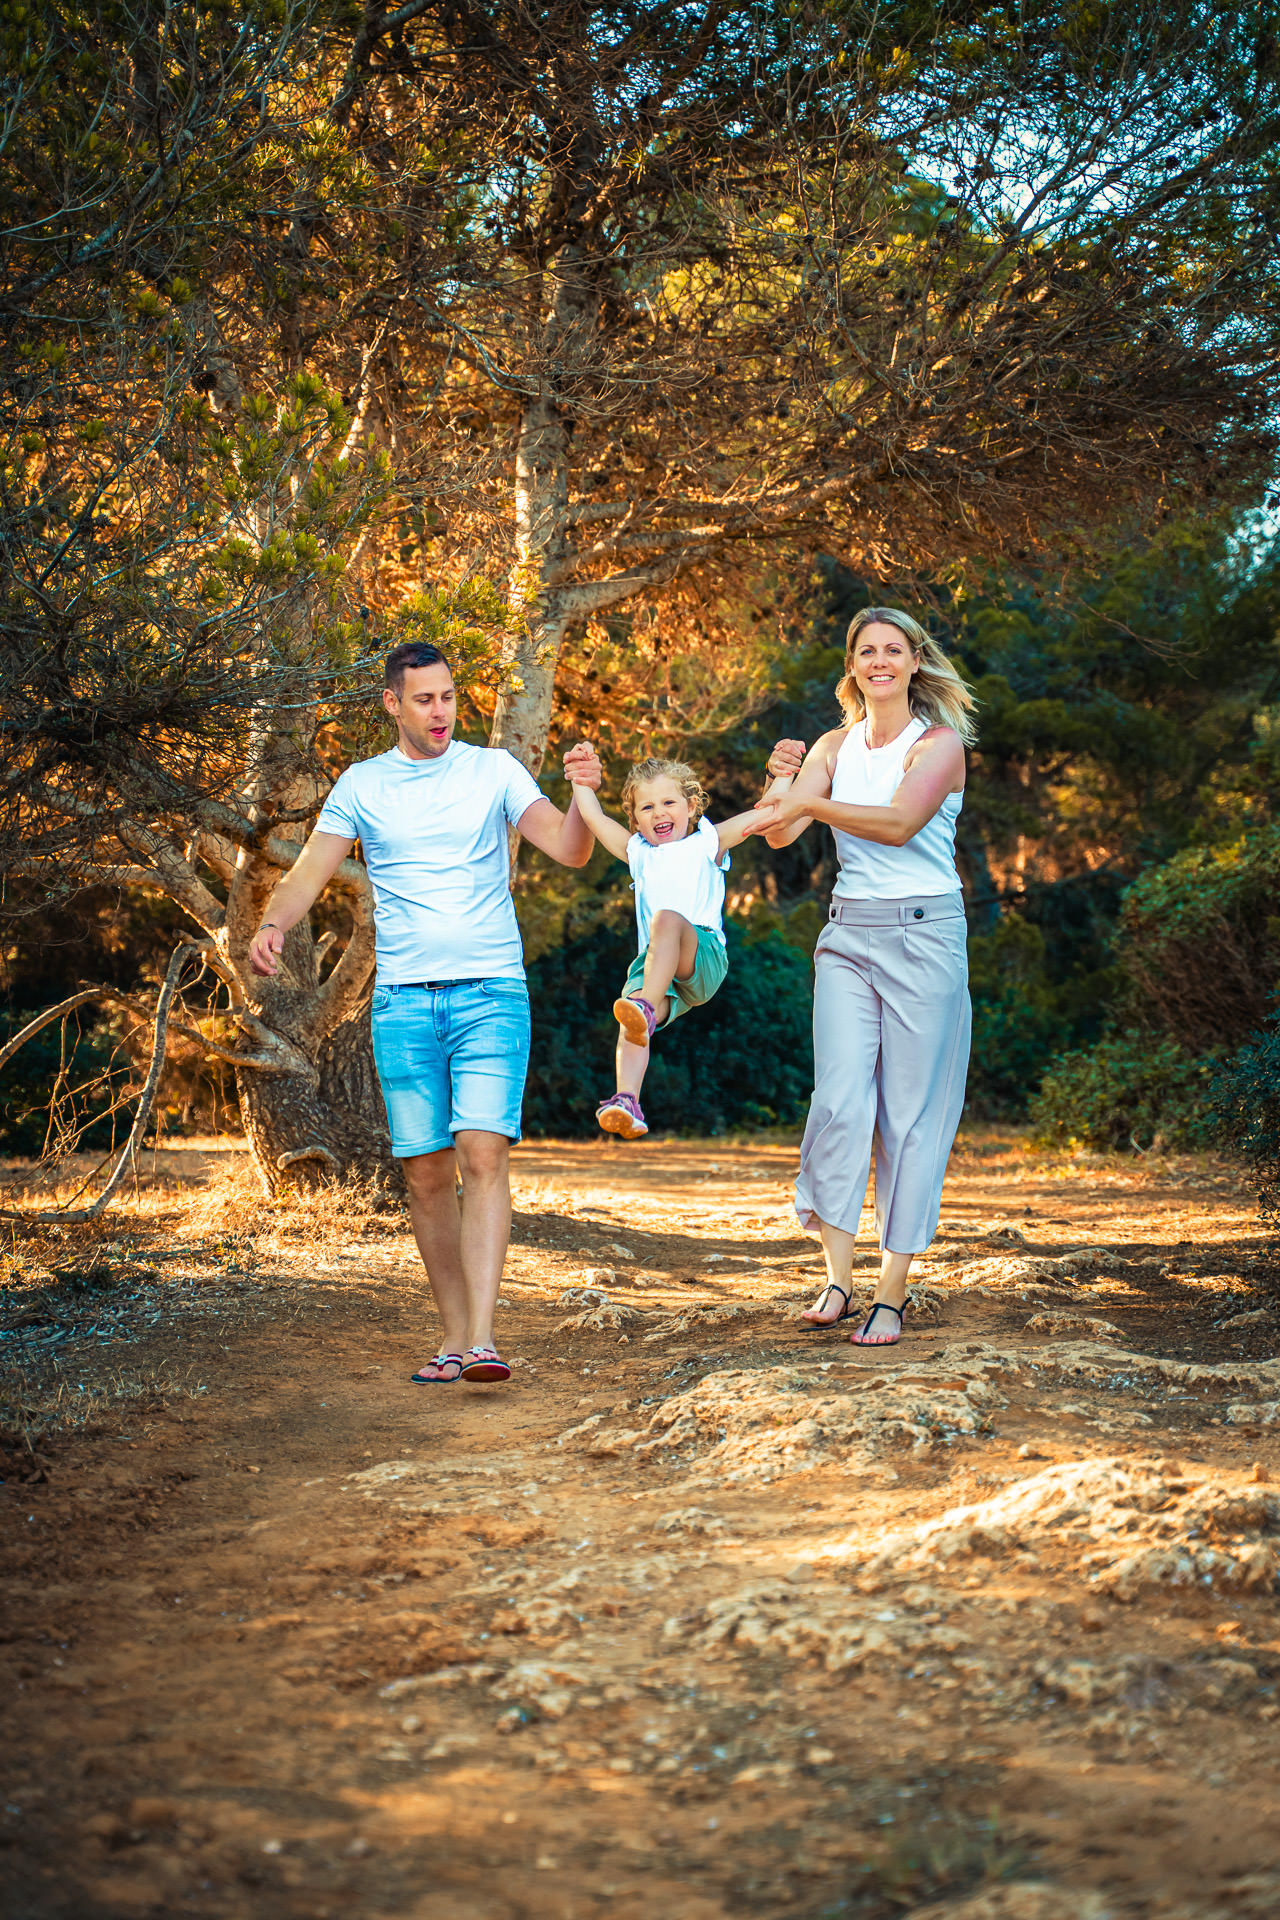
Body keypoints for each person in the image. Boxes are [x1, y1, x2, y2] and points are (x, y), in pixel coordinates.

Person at [248, 641, 602, 1386]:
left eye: (447, 697)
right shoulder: (363, 785)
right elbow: (309, 870)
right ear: (392, 704)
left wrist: (584, 794)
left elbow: (569, 851)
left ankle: (481, 1340)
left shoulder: (493, 771)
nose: (440, 712)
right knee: (427, 1173)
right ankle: (449, 1336)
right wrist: (274, 923)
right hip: (404, 1005)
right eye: (424, 700)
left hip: (492, 994)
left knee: (484, 1154)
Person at [753, 607, 976, 1347]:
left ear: (916, 662)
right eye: (866, 650)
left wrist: (809, 799)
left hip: (925, 937)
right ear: (851, 666)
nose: (880, 660)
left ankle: (891, 1291)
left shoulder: (939, 746)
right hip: (848, 934)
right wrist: (779, 781)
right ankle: (838, 1277)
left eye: (894, 649)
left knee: (910, 1119)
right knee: (840, 1102)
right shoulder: (833, 744)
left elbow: (898, 824)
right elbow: (779, 828)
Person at [569, 755, 768, 1138]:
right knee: (632, 1018)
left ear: (691, 806)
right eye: (647, 807)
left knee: (667, 920)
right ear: (636, 821)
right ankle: (627, 1100)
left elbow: (763, 816)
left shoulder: (708, 841)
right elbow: (595, 820)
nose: (658, 812)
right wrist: (580, 779)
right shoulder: (639, 854)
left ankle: (647, 1005)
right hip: (656, 966)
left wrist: (780, 773)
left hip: (702, 956)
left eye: (669, 802)